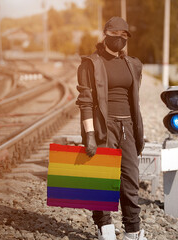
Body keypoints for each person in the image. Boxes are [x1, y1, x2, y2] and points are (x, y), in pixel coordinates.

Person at [76, 16, 146, 240]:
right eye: (115, 34)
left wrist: (136, 131)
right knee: (102, 179)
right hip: (103, 127)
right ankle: (104, 228)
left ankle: (133, 230)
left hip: (128, 127)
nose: (120, 39)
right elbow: (85, 102)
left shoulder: (133, 64)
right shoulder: (90, 63)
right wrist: (89, 135)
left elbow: (134, 100)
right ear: (106, 35)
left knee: (130, 180)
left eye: (124, 35)